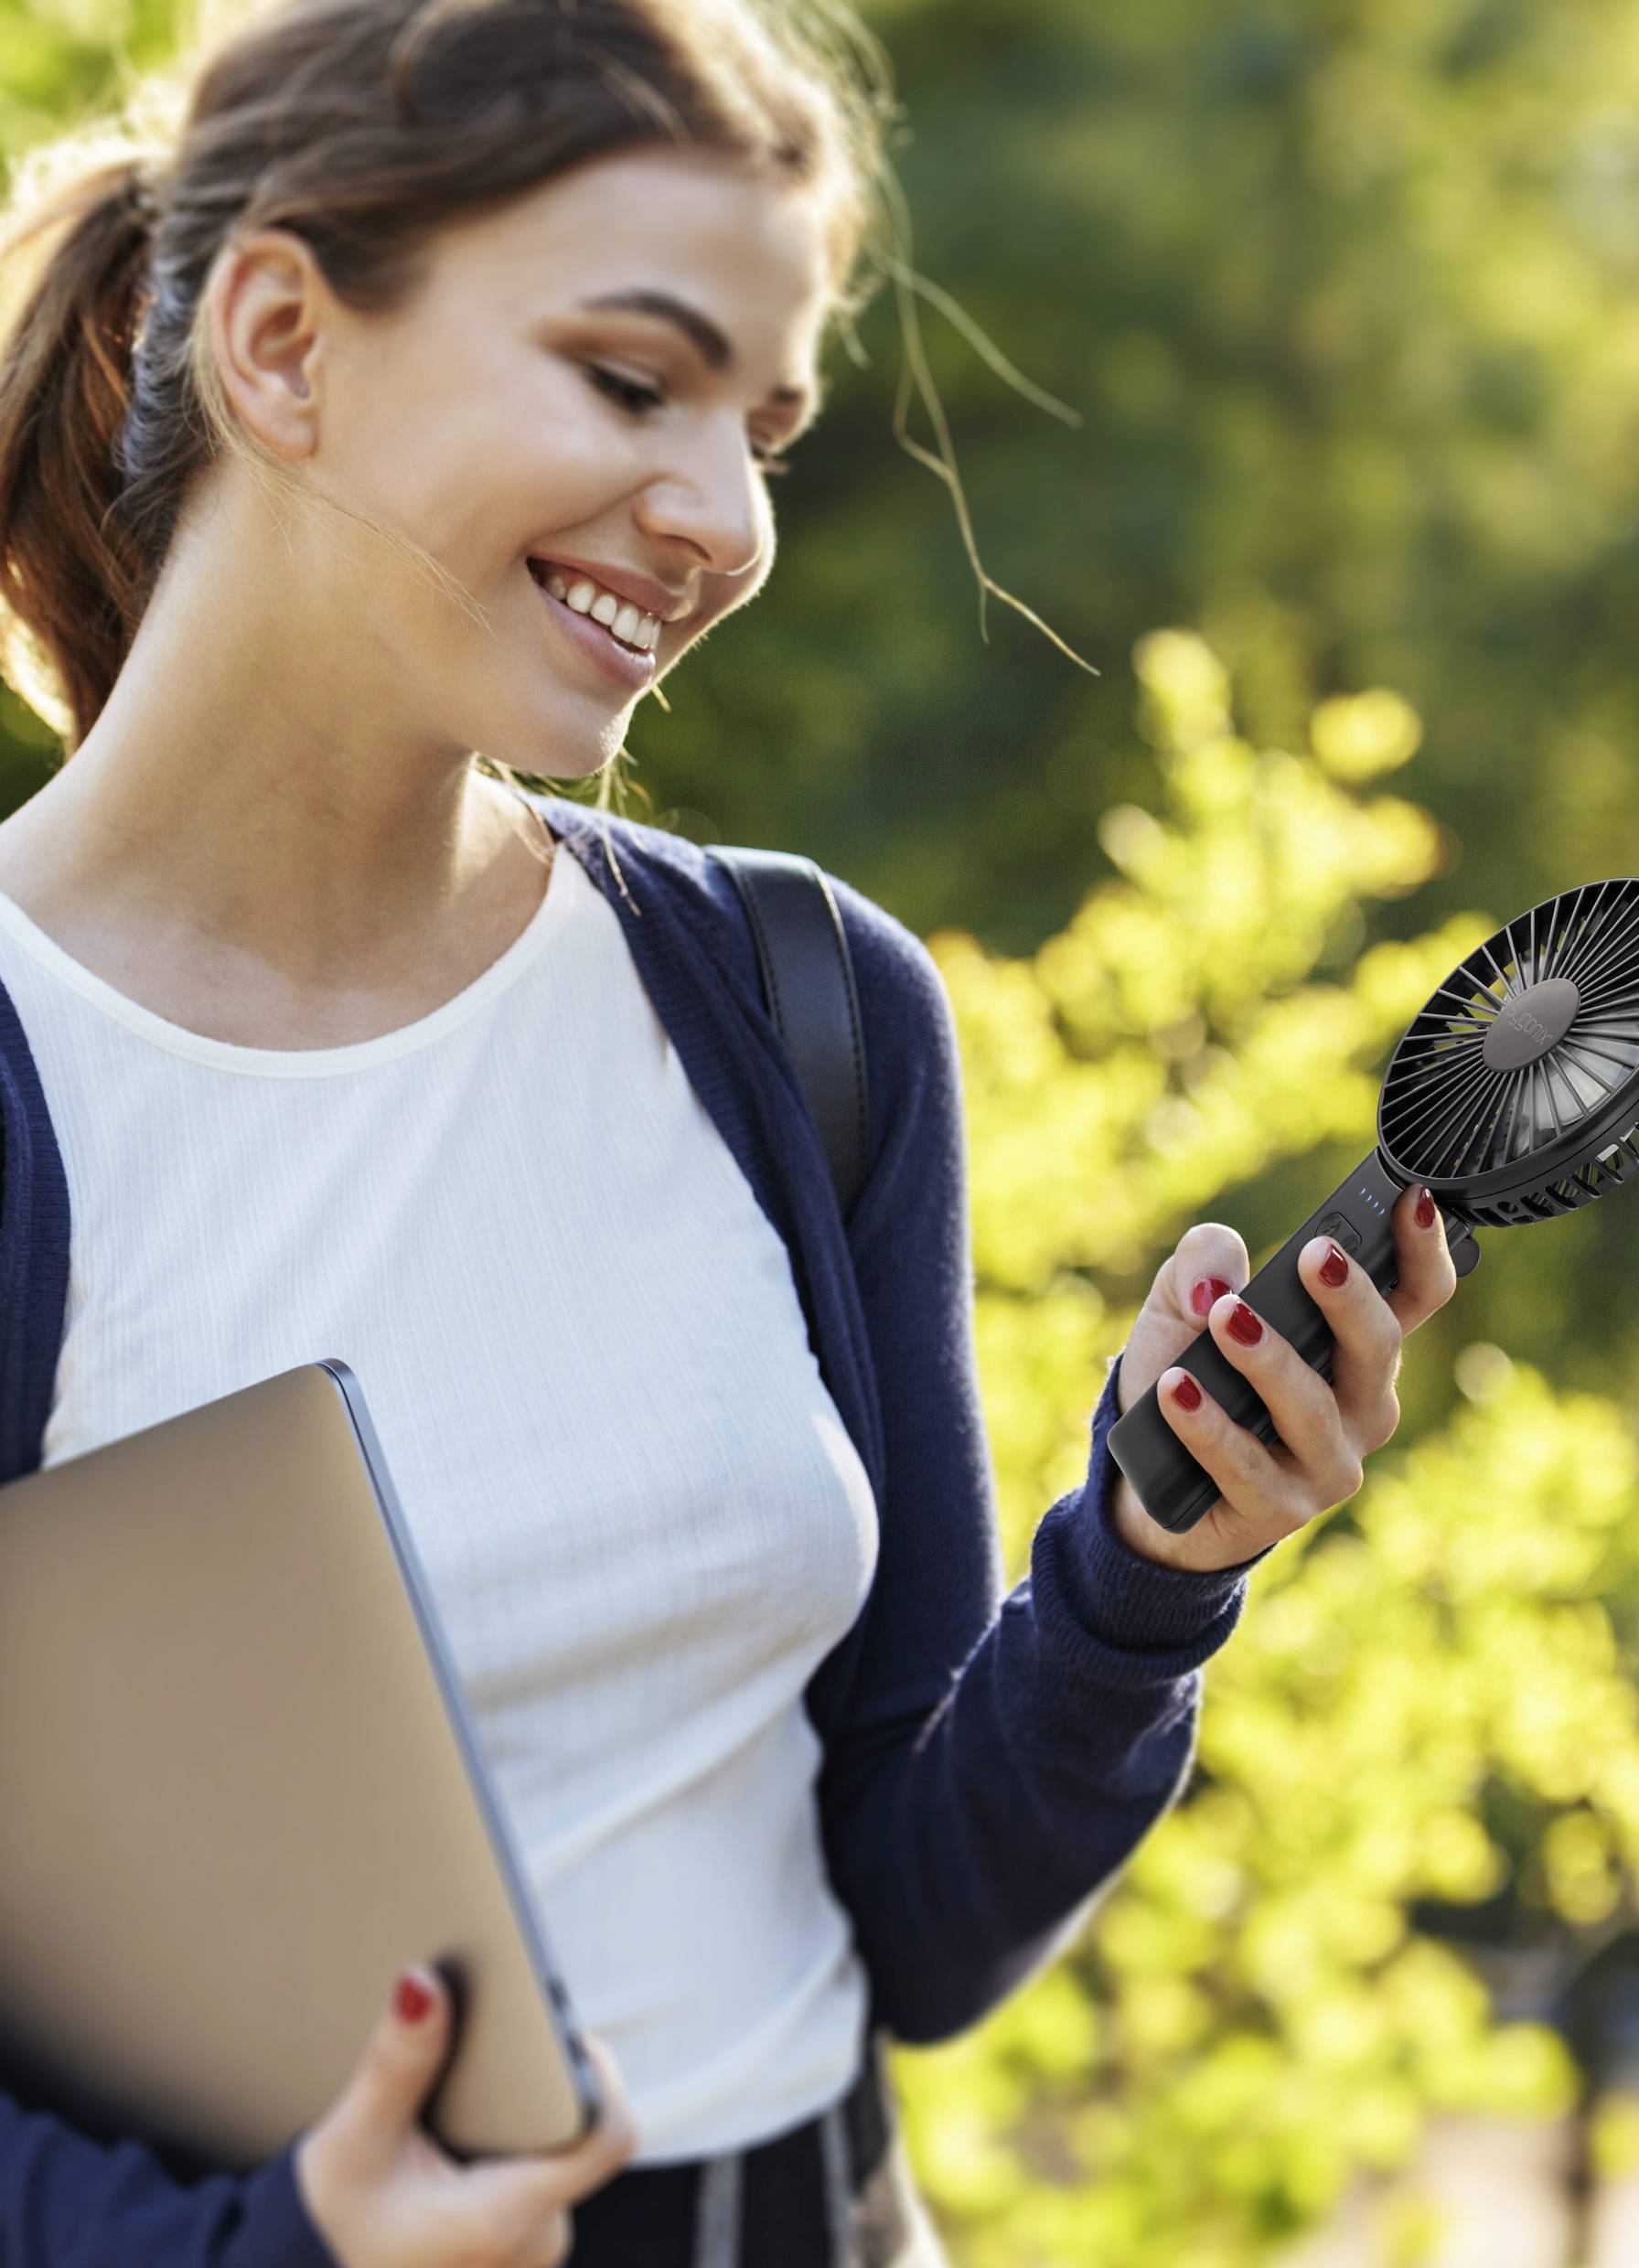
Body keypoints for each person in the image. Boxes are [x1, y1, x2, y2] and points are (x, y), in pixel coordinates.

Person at [0, 0, 1461, 2257]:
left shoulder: (799, 1011)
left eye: (761, 424)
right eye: (628, 378)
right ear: (284, 340)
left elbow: (913, 1919)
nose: (724, 519)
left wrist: (1145, 1579)